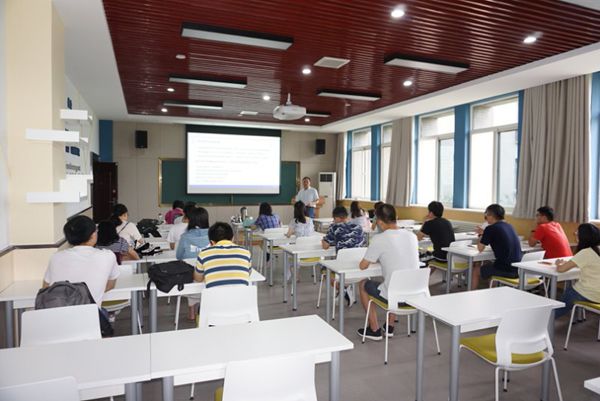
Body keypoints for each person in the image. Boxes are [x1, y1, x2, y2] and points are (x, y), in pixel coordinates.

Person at [357, 204, 419, 340]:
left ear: (379, 222)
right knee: (397, 280)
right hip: (416, 295)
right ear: (396, 217)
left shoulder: (379, 239)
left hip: (395, 297)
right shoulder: (412, 236)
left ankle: (374, 329)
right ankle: (390, 326)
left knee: (363, 284)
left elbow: (363, 266)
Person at [43, 215, 120, 313]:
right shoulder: (108, 256)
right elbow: (111, 285)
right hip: (90, 317)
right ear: (93, 235)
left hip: (57, 317)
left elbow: (46, 288)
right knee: (103, 313)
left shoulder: (56, 257)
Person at [471, 204, 522, 289]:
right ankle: (492, 289)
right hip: (518, 268)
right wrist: (485, 233)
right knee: (489, 264)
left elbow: (480, 248)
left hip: (506, 269)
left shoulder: (490, 228)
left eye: (486, 215)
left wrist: (481, 235)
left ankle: (470, 294)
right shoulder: (509, 226)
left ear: (491, 215)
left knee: (475, 271)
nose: (486, 217)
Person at [322, 206, 366, 305]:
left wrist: (323, 240)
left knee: (324, 270)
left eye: (334, 219)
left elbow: (325, 246)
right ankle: (345, 290)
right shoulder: (358, 227)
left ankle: (344, 289)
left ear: (336, 218)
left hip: (342, 268)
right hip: (359, 268)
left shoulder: (334, 227)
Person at [554, 223, 600, 318]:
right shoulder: (596, 249)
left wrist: (558, 263)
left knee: (565, 299)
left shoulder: (585, 252)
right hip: (598, 295)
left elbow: (561, 269)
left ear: (582, 237)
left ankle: (546, 320)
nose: (575, 234)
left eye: (577, 233)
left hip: (588, 293)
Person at [176, 207, 210, 320]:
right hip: (209, 281)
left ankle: (191, 311)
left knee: (190, 272)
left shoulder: (185, 237)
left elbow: (179, 256)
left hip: (189, 283)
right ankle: (203, 308)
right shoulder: (212, 236)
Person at [194, 222, 252, 288]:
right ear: (233, 238)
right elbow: (248, 273)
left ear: (212, 242)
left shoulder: (203, 254)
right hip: (242, 294)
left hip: (214, 294)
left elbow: (198, 279)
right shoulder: (245, 252)